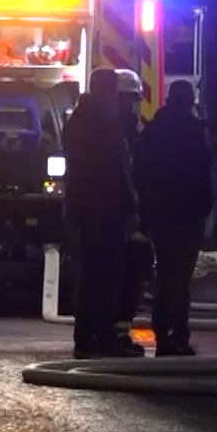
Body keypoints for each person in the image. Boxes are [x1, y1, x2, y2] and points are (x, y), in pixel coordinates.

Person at [133, 79, 215, 356]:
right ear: (189, 100)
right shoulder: (195, 131)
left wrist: (144, 215)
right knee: (181, 278)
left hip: (160, 216)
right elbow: (204, 171)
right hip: (189, 216)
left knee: (164, 275)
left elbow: (139, 173)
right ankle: (178, 335)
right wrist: (205, 208)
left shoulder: (152, 131)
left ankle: (162, 335)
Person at [64, 68, 139, 358]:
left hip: (84, 210)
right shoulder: (105, 124)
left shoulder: (77, 121)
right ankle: (103, 339)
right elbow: (118, 170)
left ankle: (85, 339)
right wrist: (132, 208)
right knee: (106, 277)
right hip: (106, 212)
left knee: (89, 275)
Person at [113, 68, 153, 354]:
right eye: (128, 100)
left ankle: (115, 332)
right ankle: (115, 333)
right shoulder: (119, 133)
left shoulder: (116, 131)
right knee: (124, 277)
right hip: (124, 216)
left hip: (123, 216)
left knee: (128, 275)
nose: (132, 107)